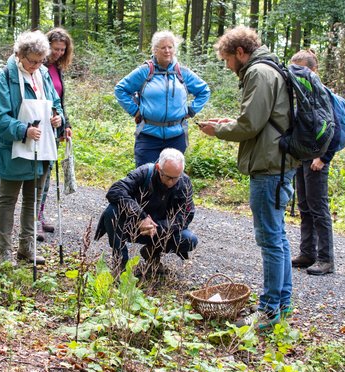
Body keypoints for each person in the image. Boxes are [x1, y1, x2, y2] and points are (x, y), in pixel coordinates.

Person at [198, 27, 298, 329]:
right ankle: (282, 304)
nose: (228, 67)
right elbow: (263, 118)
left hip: (269, 165)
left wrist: (220, 130)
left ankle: (268, 311)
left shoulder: (258, 72)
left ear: (240, 52)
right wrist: (231, 122)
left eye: (228, 60)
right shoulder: (271, 68)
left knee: (269, 239)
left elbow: (252, 124)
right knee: (277, 236)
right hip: (278, 161)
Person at [0, 30, 65, 264]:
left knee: (33, 199)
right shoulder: (4, 77)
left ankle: (27, 248)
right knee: (8, 199)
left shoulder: (42, 74)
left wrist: (57, 117)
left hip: (41, 147)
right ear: (19, 54)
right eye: (32, 61)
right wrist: (23, 130)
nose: (36, 65)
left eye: (41, 61)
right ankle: (4, 252)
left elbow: (56, 103)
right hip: (13, 149)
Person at [94, 148, 198, 276]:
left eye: (175, 178)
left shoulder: (184, 183)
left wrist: (156, 228)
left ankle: (151, 253)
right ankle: (121, 265)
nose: (171, 182)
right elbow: (115, 191)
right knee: (112, 211)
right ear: (158, 168)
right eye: (168, 177)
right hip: (134, 227)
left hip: (159, 230)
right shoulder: (144, 172)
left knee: (189, 240)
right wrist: (140, 217)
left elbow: (185, 216)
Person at [114, 30, 210, 167]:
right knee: (146, 178)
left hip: (176, 136)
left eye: (170, 47)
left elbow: (204, 91)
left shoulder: (183, 73)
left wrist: (191, 110)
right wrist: (135, 110)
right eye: (163, 47)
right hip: (148, 135)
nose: (167, 51)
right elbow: (120, 89)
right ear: (154, 50)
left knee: (172, 180)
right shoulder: (144, 72)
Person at [289, 50, 338, 276]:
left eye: (302, 69)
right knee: (304, 207)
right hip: (303, 158)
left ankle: (326, 259)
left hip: (317, 159)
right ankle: (307, 253)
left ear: (313, 70)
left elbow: (334, 130)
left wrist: (323, 158)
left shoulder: (323, 94)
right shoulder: (304, 94)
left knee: (319, 209)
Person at [37, 27, 75, 239]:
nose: (59, 53)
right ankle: (32, 219)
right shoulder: (38, 66)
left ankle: (40, 215)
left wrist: (65, 124)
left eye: (63, 50)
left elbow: (59, 101)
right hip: (39, 127)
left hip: (54, 125)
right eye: (55, 48)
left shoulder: (57, 68)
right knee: (38, 174)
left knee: (48, 173)